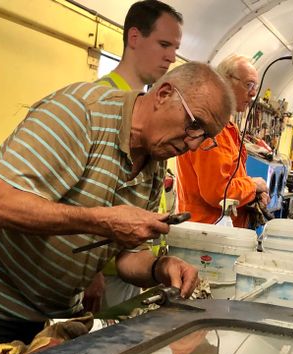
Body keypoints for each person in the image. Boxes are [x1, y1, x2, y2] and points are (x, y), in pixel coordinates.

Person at [0, 62, 235, 354]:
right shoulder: (80, 115)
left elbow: (128, 255)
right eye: (194, 125)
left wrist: (161, 267)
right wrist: (102, 220)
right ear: (164, 94)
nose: (194, 144)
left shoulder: (154, 165)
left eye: (206, 138)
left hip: (45, 313)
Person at [94, 0, 182, 310]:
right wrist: (88, 274)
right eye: (163, 44)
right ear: (134, 38)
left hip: (132, 261)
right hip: (101, 273)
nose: (171, 56)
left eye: (175, 47)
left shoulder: (149, 111)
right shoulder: (102, 103)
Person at [176, 54, 269, 227]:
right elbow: (219, 193)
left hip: (220, 233)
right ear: (224, 81)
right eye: (248, 84)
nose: (254, 93)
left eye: (255, 86)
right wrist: (253, 185)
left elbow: (229, 178)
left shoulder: (226, 127)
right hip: (206, 236)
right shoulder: (212, 129)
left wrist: (252, 196)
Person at [96, 0, 182, 91]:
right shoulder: (98, 98)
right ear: (134, 38)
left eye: (175, 49)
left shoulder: (140, 101)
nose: (172, 59)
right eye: (164, 45)